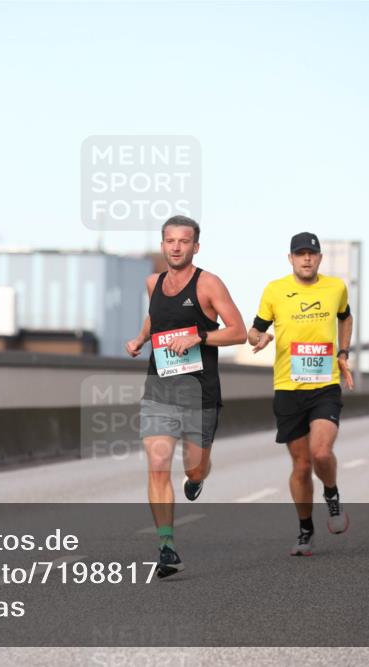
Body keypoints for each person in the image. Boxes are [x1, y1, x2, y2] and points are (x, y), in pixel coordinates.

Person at [125, 215, 246, 578]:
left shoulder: (209, 284)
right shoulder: (153, 282)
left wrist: (201, 337)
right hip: (159, 388)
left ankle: (197, 479)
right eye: (170, 241)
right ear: (162, 244)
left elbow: (238, 331)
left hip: (200, 393)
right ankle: (166, 546)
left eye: (184, 241)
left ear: (196, 246)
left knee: (194, 467)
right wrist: (141, 338)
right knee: (158, 464)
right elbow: (154, 316)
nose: (176, 247)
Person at [247, 232, 353, 557]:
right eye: (300, 254)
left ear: (320, 258)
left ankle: (332, 496)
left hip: (325, 385)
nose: (306, 258)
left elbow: (345, 318)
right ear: (290, 259)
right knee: (302, 465)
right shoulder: (275, 290)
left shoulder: (336, 287)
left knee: (321, 452)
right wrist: (259, 339)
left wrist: (344, 352)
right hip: (288, 388)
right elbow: (254, 329)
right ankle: (305, 529)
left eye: (312, 253)